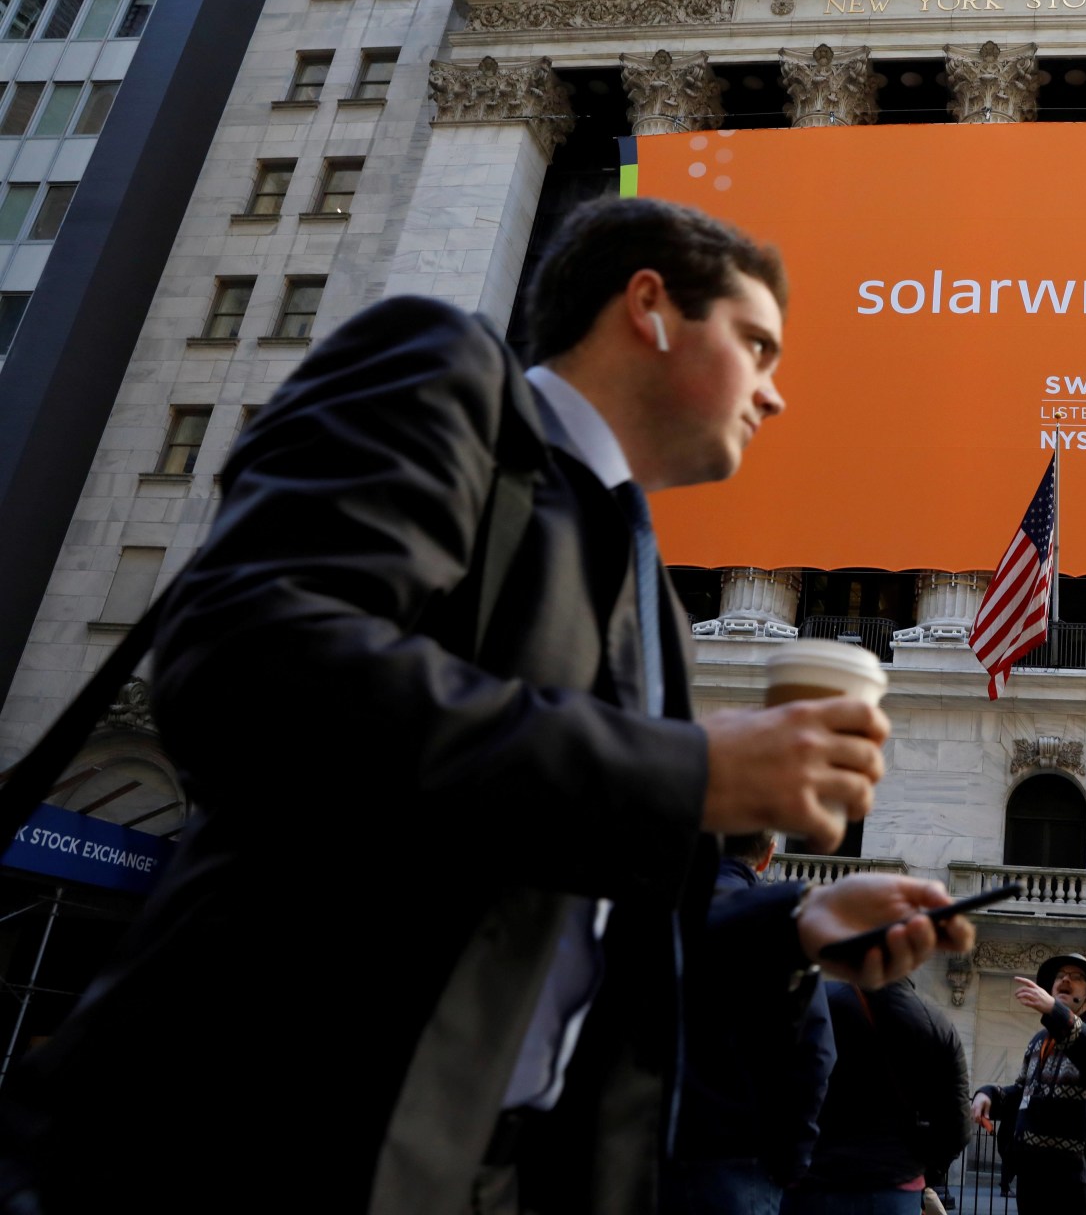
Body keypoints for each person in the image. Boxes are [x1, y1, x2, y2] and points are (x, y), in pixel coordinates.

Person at [0, 196, 975, 1215]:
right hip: (253, 1137)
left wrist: (791, 926)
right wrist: (686, 770)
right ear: (648, 305)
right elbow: (252, 659)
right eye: (757, 343)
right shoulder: (441, 369)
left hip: (491, 1169)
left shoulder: (653, 598)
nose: (774, 394)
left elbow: (589, 926)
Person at [670, 832, 838, 1212]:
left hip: (641, 1149)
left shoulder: (655, 907)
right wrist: (791, 1161)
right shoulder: (781, 925)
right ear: (768, 856)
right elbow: (816, 1057)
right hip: (741, 1161)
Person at [783, 976, 970, 1215]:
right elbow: (958, 1126)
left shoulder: (819, 1001)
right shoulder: (935, 1020)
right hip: (895, 1184)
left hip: (815, 1179)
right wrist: (922, 1171)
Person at [970, 953, 1086, 1215]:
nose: (1065, 980)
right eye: (1060, 976)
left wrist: (1055, 1011)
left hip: (1072, 1179)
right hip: (1031, 1175)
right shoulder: (1040, 1040)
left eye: (1075, 977)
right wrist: (989, 1096)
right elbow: (1023, 1092)